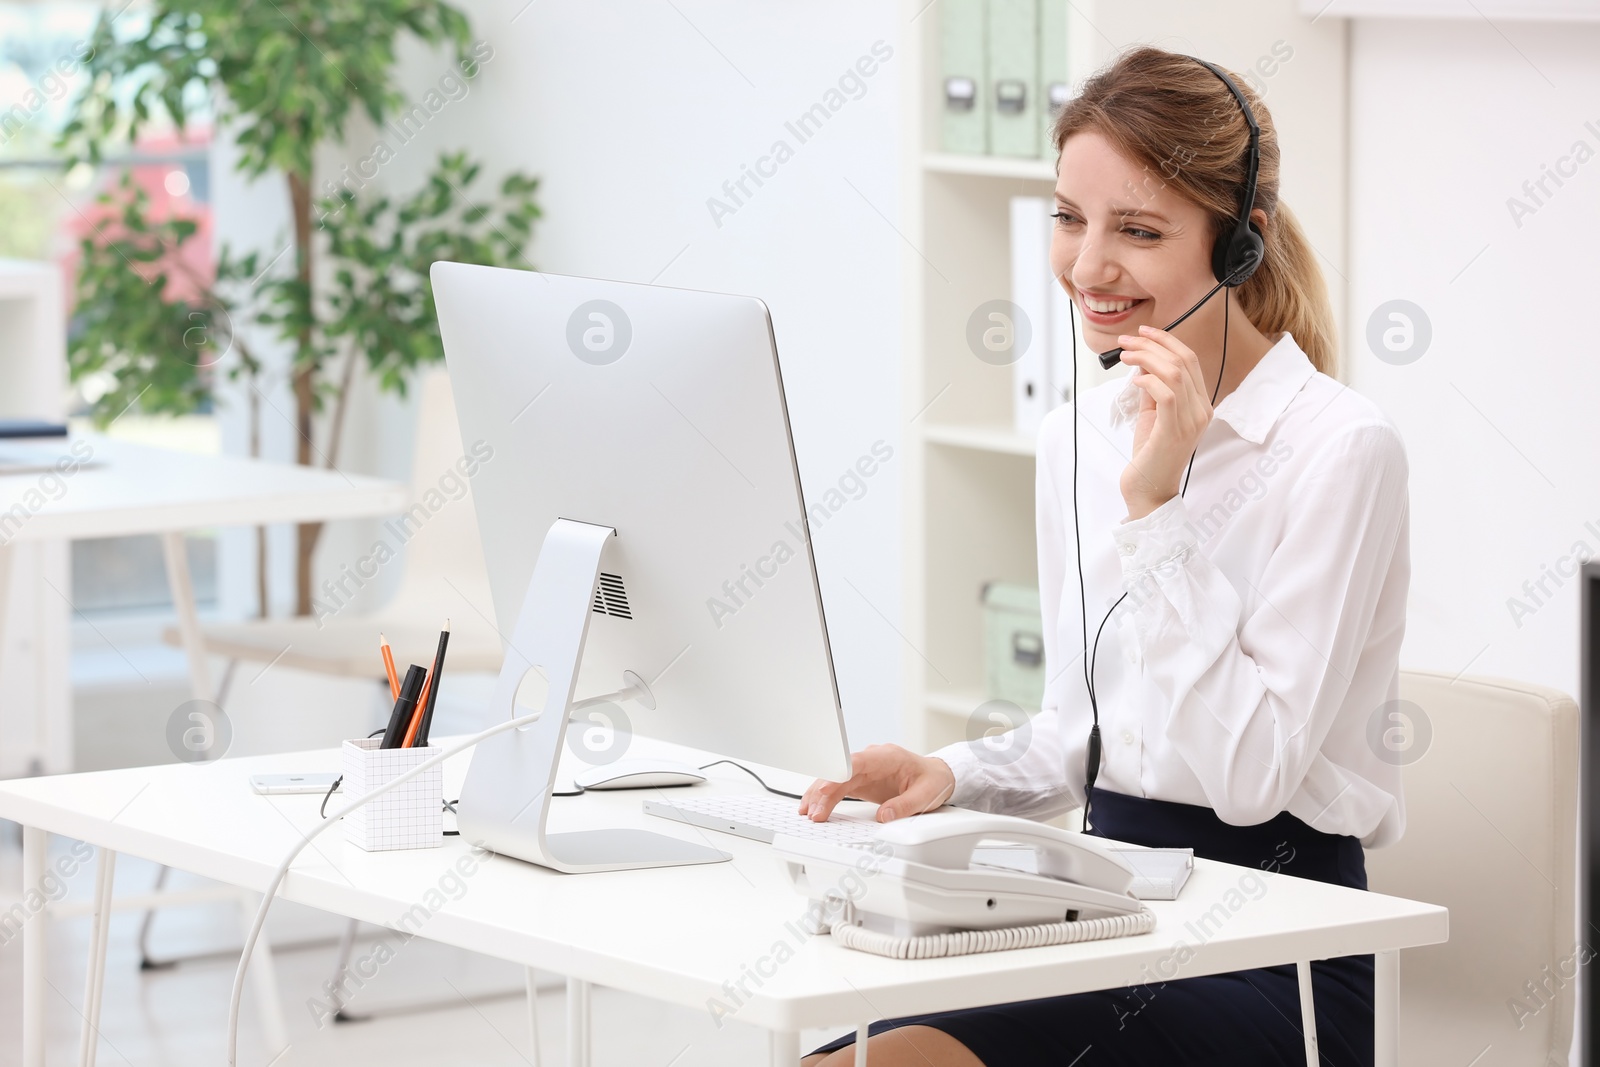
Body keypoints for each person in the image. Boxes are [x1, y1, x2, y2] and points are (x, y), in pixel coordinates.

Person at [798, 45, 1409, 1067]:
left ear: (1240, 246)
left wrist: (1155, 510)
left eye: (1137, 229)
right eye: (1068, 217)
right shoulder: (1076, 434)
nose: (1086, 267)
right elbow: (1081, 739)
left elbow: (1251, 777)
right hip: (1099, 912)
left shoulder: (1340, 448)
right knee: (835, 1055)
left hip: (1276, 953)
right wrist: (942, 772)